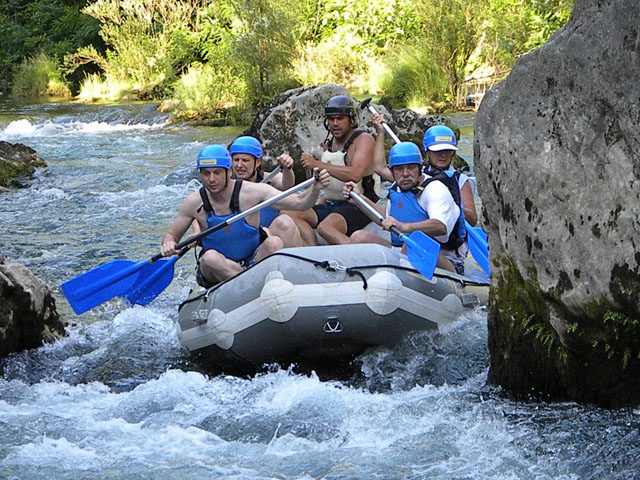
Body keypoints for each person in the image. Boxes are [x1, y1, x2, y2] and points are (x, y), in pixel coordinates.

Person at [161, 144, 330, 286]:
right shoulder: (193, 202)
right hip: (216, 270)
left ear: (228, 171)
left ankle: (259, 283)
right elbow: (172, 235)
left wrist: (315, 189)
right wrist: (168, 244)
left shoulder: (252, 192)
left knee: (274, 242)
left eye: (217, 172)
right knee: (210, 258)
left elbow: (300, 202)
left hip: (253, 260)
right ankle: (253, 283)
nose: (211, 179)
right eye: (206, 173)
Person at [344, 141, 467, 274]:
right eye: (399, 169)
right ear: (392, 171)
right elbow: (387, 217)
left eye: (411, 168)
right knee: (358, 237)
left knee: (411, 244)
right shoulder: (396, 189)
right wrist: (359, 200)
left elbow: (440, 226)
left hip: (445, 261)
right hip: (401, 255)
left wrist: (403, 227)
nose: (405, 173)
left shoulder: (435, 189)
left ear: (420, 168)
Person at [282, 95, 378, 246]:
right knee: (288, 213)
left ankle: (356, 257)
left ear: (351, 119)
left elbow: (355, 174)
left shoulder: (363, 139)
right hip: (332, 204)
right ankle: (313, 254)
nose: (335, 123)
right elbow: (331, 183)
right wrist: (321, 201)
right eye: (331, 119)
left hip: (361, 204)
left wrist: (317, 164)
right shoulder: (329, 143)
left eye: (340, 118)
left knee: (325, 227)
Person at [371, 115, 478, 226]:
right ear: (427, 151)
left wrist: (449, 201)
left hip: (445, 238)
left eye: (447, 151)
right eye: (438, 151)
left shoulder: (460, 180)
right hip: (416, 234)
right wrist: (380, 133)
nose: (443, 155)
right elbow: (380, 168)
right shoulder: (414, 175)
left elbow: (473, 220)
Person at [228, 135, 302, 247]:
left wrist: (287, 169)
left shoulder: (270, 179)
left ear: (257, 162)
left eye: (245, 160)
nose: (239, 165)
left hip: (271, 235)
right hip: (242, 240)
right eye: (236, 160)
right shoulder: (226, 185)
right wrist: (196, 231)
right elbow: (204, 205)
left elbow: (286, 185)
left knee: (285, 222)